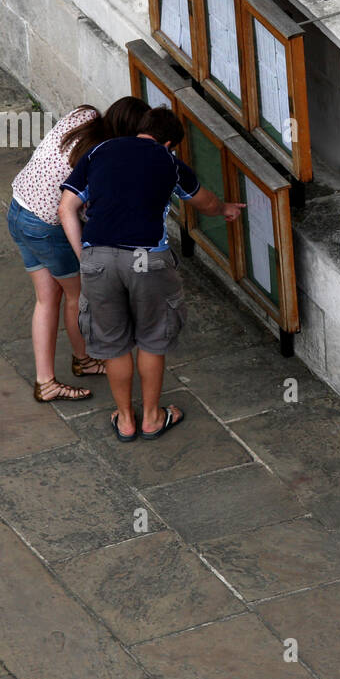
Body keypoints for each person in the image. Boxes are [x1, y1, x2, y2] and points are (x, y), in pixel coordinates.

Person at [58, 106, 244, 441]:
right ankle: (153, 418)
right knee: (152, 340)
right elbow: (205, 203)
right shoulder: (168, 161)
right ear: (170, 143)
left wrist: (86, 257)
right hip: (146, 260)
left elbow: (65, 208)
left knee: (114, 346)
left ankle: (126, 420)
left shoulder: (101, 150)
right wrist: (226, 209)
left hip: (98, 259)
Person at [6, 96, 150, 402]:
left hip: (18, 209)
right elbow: (68, 211)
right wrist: (86, 258)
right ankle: (83, 360)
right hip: (45, 225)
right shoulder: (102, 159)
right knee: (78, 295)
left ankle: (46, 382)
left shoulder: (84, 114)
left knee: (47, 299)